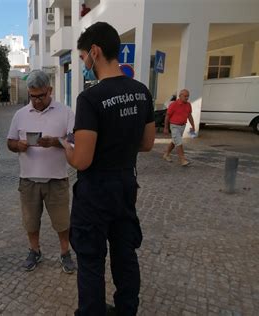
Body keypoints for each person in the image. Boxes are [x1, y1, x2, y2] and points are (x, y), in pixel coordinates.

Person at [60, 22, 155, 316]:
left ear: (95, 52)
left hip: (96, 191)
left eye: (82, 58)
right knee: (125, 253)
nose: (84, 65)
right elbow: (148, 143)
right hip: (126, 182)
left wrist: (67, 148)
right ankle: (127, 310)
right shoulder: (141, 92)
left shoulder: (90, 98)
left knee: (90, 258)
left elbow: (82, 161)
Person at [7, 69, 76, 274]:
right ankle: (34, 250)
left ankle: (65, 252)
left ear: (50, 90)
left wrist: (56, 142)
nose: (36, 101)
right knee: (30, 221)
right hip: (28, 180)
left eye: (40, 96)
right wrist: (17, 146)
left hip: (57, 179)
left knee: (62, 221)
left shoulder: (65, 112)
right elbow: (9, 142)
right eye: (32, 96)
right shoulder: (20, 115)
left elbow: (74, 140)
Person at [163, 89, 195, 166]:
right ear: (180, 96)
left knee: (175, 141)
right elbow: (167, 116)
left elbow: (189, 116)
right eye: (185, 96)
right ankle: (182, 159)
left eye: (188, 96)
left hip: (182, 126)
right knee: (179, 142)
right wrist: (166, 127)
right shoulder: (173, 105)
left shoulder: (188, 105)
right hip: (174, 126)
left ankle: (166, 154)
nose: (187, 98)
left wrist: (193, 125)